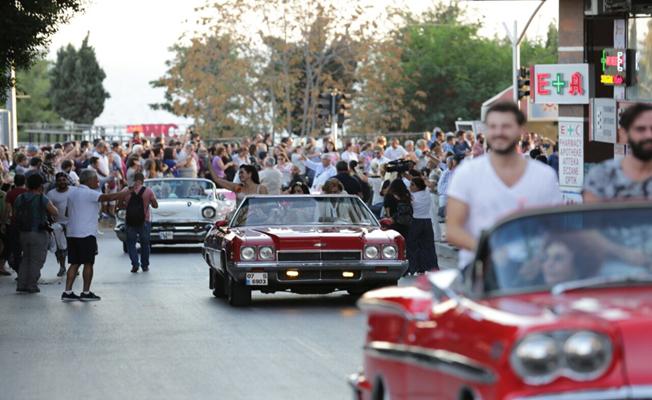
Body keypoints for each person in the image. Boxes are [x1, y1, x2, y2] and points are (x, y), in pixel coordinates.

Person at [446, 102, 563, 268]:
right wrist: (490, 251)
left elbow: (556, 227)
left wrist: (539, 259)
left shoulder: (544, 176)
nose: (499, 132)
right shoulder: (466, 173)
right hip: (480, 272)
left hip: (533, 271)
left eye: (506, 126)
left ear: (520, 130)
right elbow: (453, 230)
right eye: (493, 126)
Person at [62, 169, 130, 302]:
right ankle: (86, 292)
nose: (98, 182)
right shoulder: (89, 193)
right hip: (86, 233)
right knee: (88, 263)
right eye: (96, 179)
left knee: (74, 263)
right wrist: (125, 192)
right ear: (89, 180)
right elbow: (109, 197)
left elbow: (66, 213)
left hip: (72, 233)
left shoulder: (72, 193)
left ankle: (67, 291)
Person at [584, 103, 652, 201]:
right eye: (640, 129)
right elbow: (591, 215)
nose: (649, 135)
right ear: (624, 133)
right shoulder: (602, 176)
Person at [15, 174, 59, 293]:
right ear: (40, 185)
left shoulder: (20, 197)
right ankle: (31, 285)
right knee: (36, 260)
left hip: (23, 233)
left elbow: (15, 213)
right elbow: (55, 212)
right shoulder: (42, 198)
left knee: (26, 258)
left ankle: (21, 284)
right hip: (39, 233)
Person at [122, 172, 158, 273]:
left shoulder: (126, 190)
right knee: (145, 244)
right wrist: (149, 202)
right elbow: (155, 205)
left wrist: (128, 206)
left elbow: (120, 204)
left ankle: (135, 264)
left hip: (130, 221)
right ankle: (145, 265)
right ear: (143, 180)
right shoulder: (148, 191)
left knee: (131, 243)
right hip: (145, 221)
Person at [407, 177, 438, 274]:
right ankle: (431, 267)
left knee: (413, 246)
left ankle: (414, 267)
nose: (410, 187)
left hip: (416, 221)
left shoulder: (412, 196)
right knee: (428, 246)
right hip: (427, 221)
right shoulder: (427, 193)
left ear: (417, 186)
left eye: (412, 185)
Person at [47, 172, 73, 277]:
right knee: (60, 248)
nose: (62, 182)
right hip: (58, 224)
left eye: (64, 180)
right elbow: (48, 209)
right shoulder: (51, 194)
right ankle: (62, 267)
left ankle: (73, 267)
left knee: (72, 247)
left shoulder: (73, 191)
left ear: (67, 180)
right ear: (56, 182)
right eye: (59, 180)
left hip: (72, 223)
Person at [5, 174, 28, 273]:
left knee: (16, 249)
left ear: (15, 182)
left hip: (14, 223)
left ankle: (19, 271)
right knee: (27, 249)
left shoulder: (10, 194)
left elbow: (8, 211)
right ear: (25, 181)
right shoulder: (28, 192)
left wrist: (5, 222)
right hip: (28, 224)